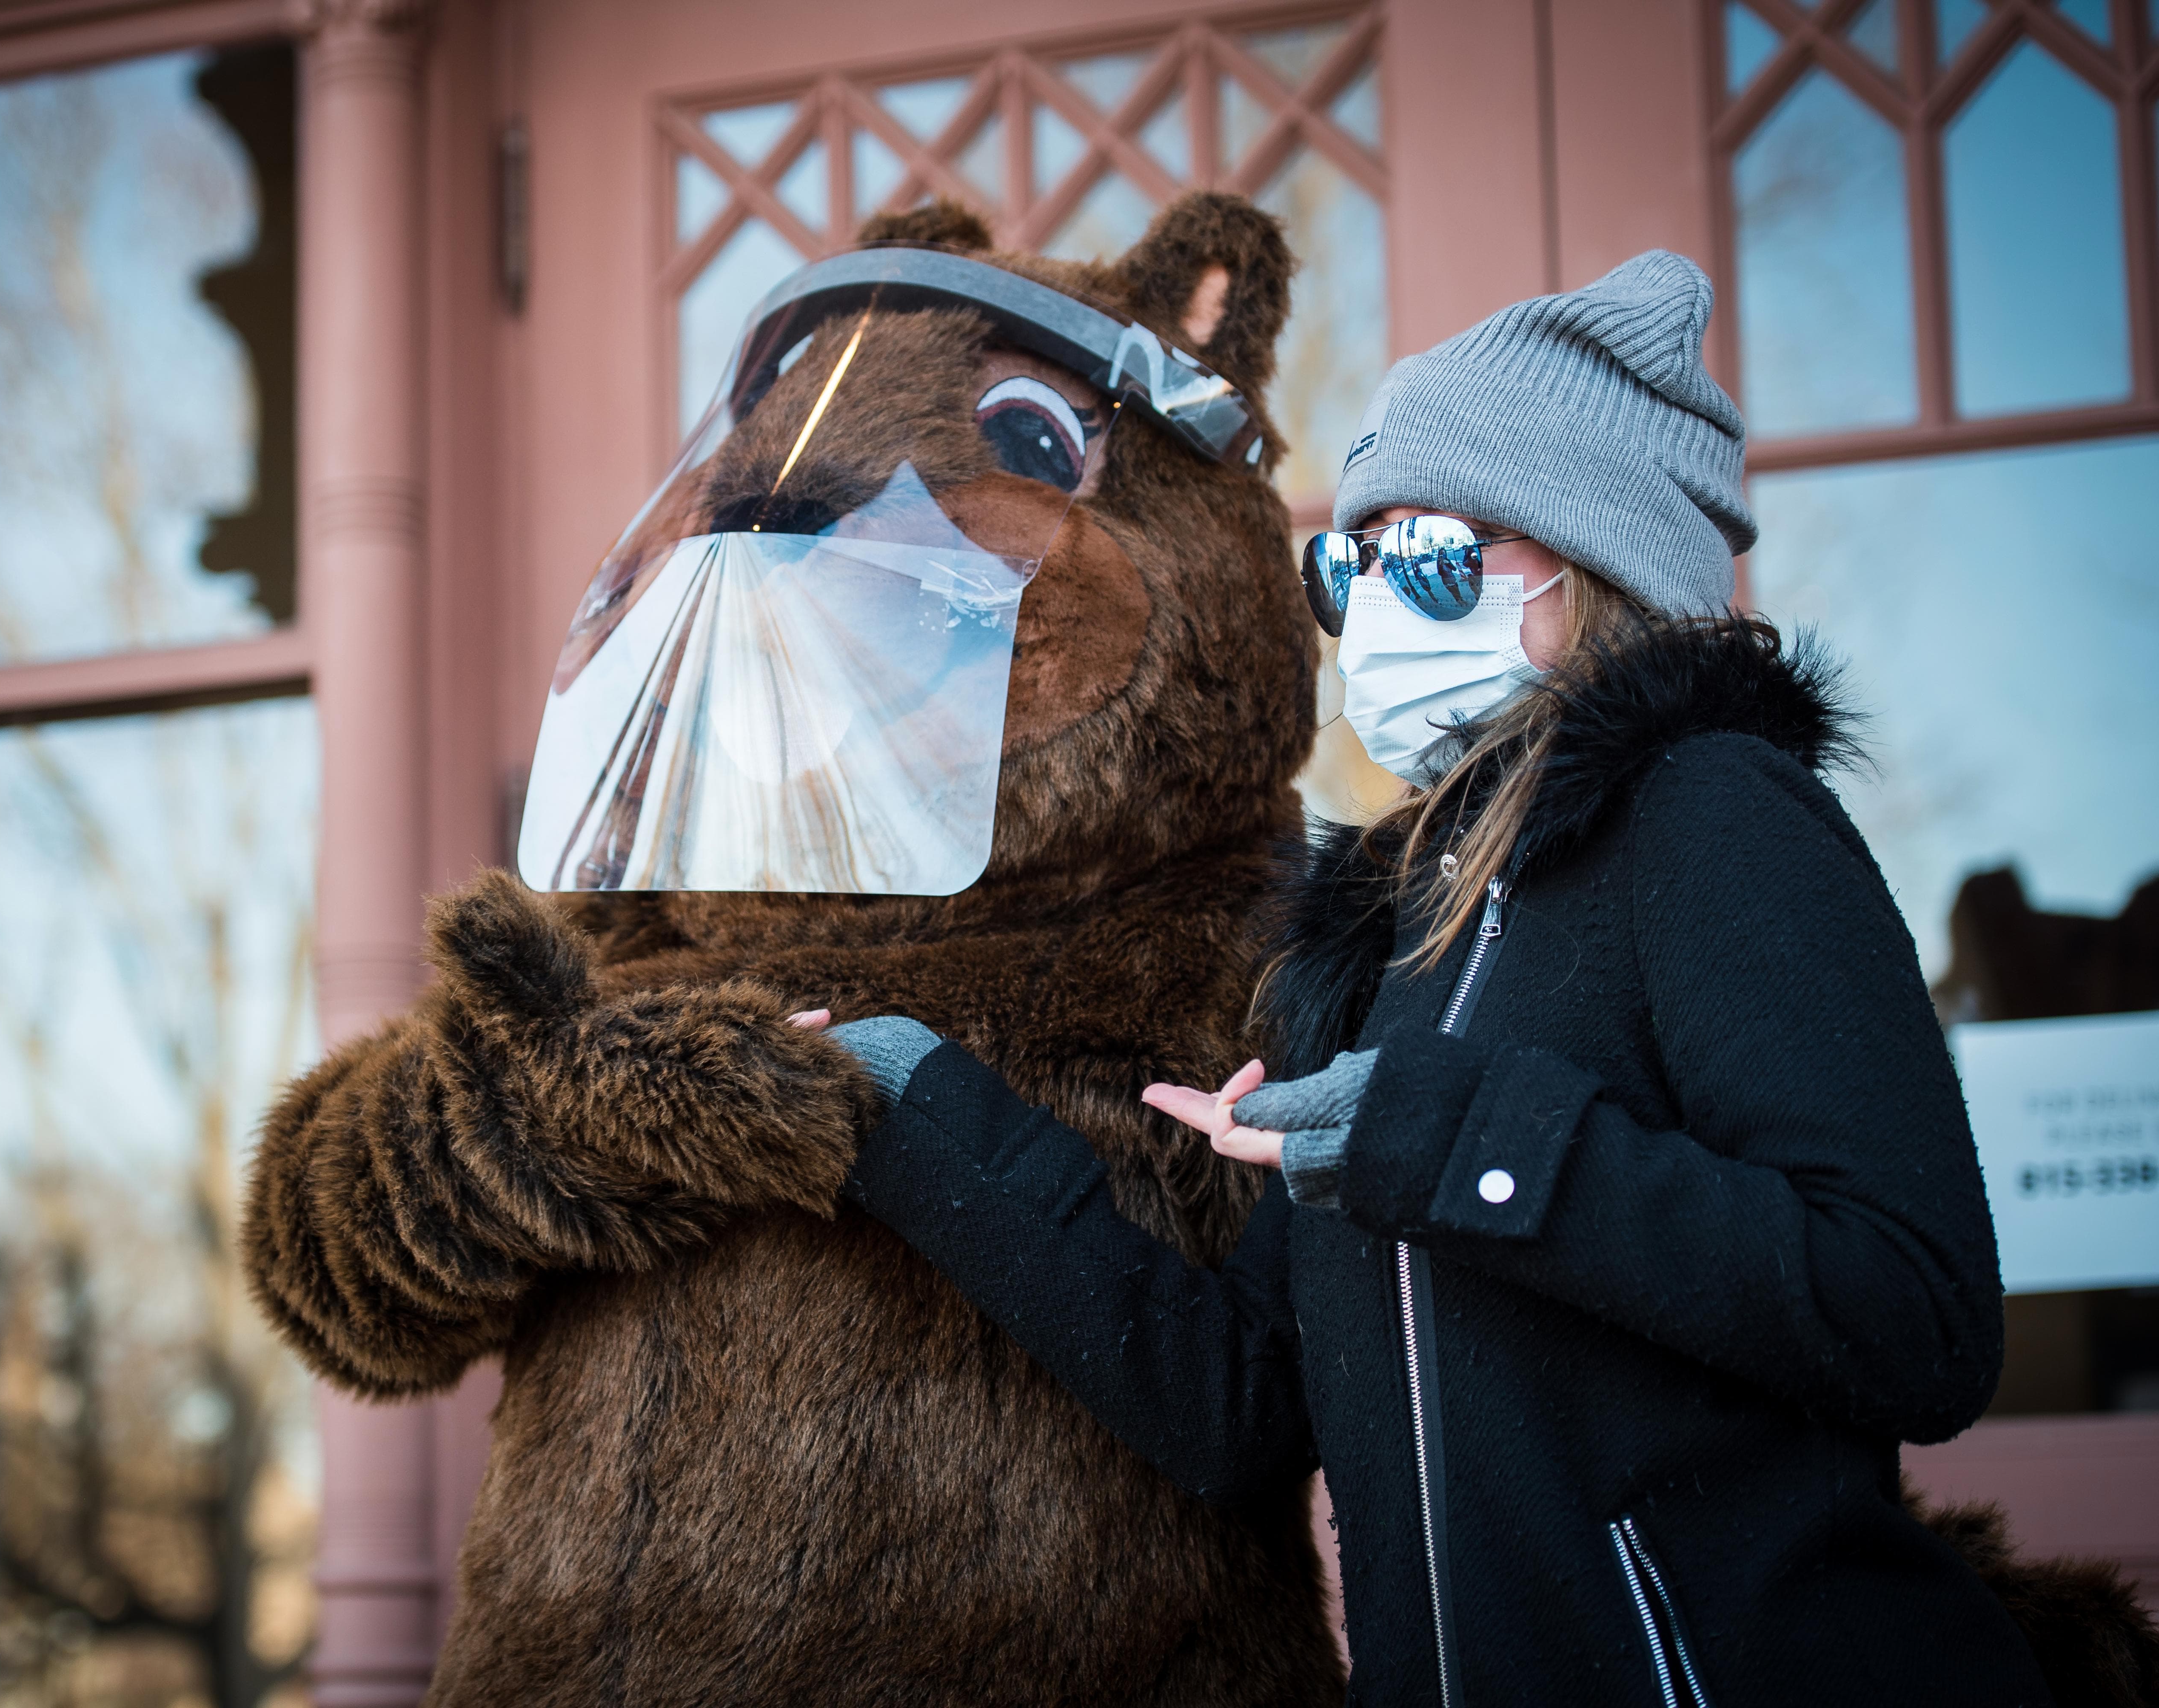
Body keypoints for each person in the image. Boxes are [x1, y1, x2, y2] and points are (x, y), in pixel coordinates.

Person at [805, 252, 2053, 1707]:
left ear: (1597, 572)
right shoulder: (1390, 934)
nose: (1382, 601)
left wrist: (1466, 1143)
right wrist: (914, 1108)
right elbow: (1240, 1408)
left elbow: (1914, 1314)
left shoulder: (1713, 817)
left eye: (1442, 554)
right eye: (1353, 558)